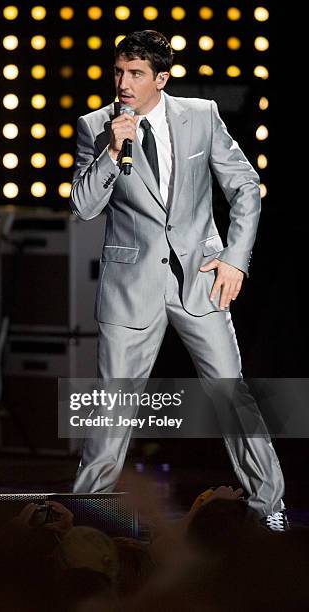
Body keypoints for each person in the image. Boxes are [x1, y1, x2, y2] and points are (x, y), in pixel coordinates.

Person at [69, 30, 288, 531]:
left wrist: (235, 258)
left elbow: (245, 185)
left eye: (136, 74)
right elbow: (83, 207)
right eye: (119, 71)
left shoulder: (201, 116)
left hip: (200, 281)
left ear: (161, 79)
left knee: (232, 396)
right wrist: (110, 150)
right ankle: (83, 518)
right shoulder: (95, 126)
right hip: (132, 284)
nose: (123, 83)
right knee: (112, 402)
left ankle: (268, 508)